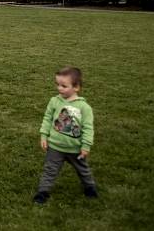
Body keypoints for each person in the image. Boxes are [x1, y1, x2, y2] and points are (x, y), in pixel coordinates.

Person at [33, 66, 98, 204]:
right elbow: (47, 118)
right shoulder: (54, 101)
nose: (59, 88)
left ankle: (90, 187)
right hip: (55, 146)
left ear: (76, 87)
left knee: (83, 170)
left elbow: (88, 127)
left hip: (75, 148)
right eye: (57, 84)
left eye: (64, 86)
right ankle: (43, 192)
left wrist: (86, 145)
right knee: (50, 170)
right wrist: (44, 135)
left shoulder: (84, 107)